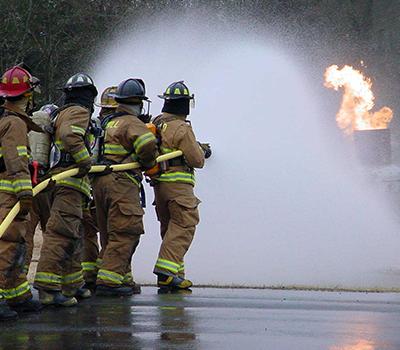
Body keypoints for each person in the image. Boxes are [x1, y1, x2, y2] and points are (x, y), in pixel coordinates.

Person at [33, 73, 97, 306]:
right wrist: (85, 162)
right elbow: (71, 137)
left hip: (64, 183)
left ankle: (72, 284)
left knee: (73, 233)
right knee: (60, 233)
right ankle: (48, 289)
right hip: (69, 182)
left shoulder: (62, 112)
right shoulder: (79, 112)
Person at [92, 78, 157, 296]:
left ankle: (122, 277)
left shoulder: (107, 122)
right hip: (121, 182)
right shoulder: (132, 123)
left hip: (101, 182)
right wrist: (149, 163)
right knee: (127, 231)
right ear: (139, 102)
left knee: (110, 232)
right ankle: (109, 281)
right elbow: (147, 145)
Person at [151, 81, 211, 292]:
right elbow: (196, 160)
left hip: (159, 187)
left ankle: (176, 274)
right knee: (185, 225)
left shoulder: (156, 123)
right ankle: (166, 274)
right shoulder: (182, 128)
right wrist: (201, 152)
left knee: (170, 229)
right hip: (179, 187)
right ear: (186, 104)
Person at [0, 65, 44, 319]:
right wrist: (24, 192)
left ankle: (17, 294)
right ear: (27, 96)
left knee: (16, 241)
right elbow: (16, 161)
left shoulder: (6, 118)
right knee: (8, 241)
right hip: (9, 192)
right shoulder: (15, 122)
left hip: (8, 189)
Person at [82, 86, 118, 288]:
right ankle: (102, 272)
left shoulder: (93, 123)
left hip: (89, 186)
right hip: (102, 185)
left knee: (90, 231)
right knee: (113, 231)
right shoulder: (105, 127)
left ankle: (90, 272)